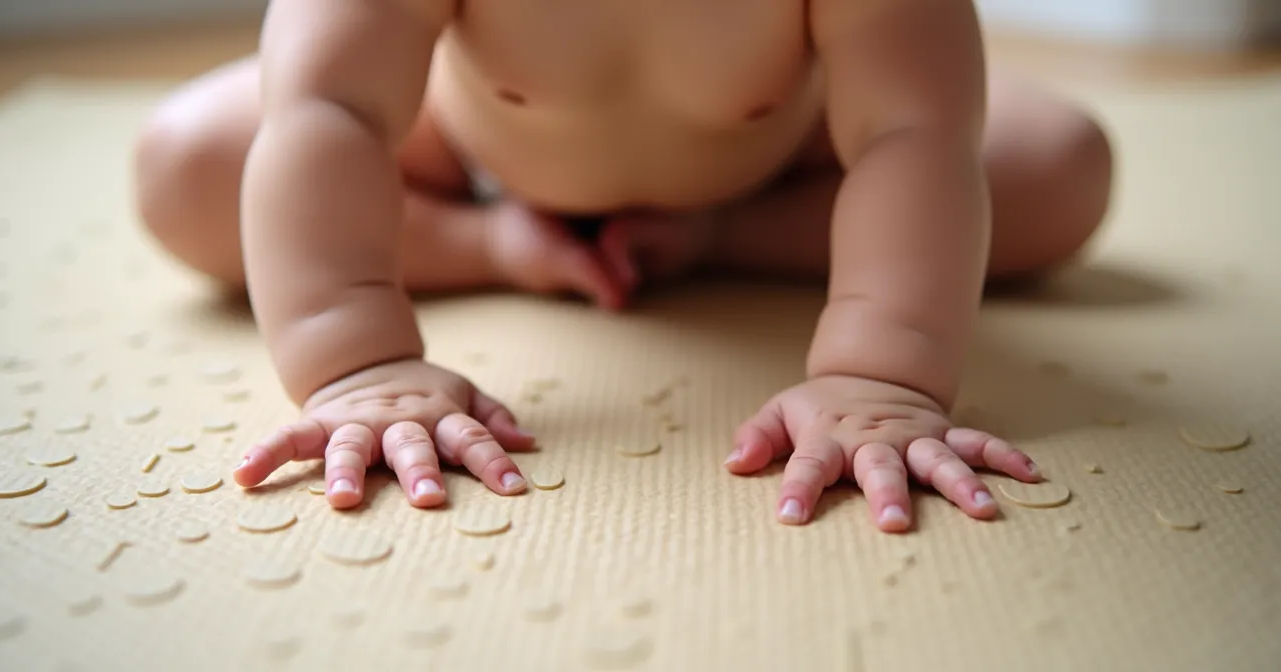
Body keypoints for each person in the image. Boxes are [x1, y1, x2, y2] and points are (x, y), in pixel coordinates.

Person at [134, 0, 1113, 532]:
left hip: (780, 159)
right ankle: (496, 246)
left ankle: (722, 241)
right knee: (182, 169)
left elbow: (912, 129)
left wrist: (880, 375)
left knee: (1061, 170)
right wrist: (357, 362)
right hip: (467, 156)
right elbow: (330, 108)